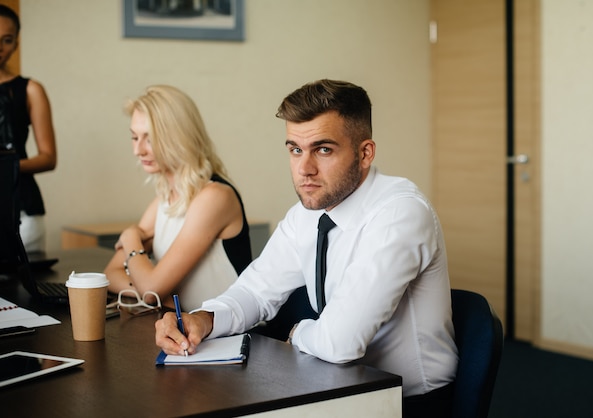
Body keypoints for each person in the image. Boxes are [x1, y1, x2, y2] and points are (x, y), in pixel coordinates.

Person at [155, 79, 458, 416]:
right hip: (334, 385)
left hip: (407, 402)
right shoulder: (306, 215)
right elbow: (256, 291)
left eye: (323, 149)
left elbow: (339, 343)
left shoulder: (400, 213)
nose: (304, 169)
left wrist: (298, 331)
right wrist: (204, 319)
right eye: (295, 149)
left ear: (365, 153)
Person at [104, 85, 252, 311]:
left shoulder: (214, 197)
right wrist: (153, 291)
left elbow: (151, 289)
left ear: (179, 137)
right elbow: (111, 274)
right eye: (134, 137)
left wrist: (130, 235)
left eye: (149, 139)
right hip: (186, 332)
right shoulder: (164, 199)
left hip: (229, 336)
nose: (138, 150)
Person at [0, 4, 57, 252]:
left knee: (24, 290)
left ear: (16, 45)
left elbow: (49, 158)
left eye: (6, 40)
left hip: (22, 212)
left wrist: (1, 164)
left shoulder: (30, 90)